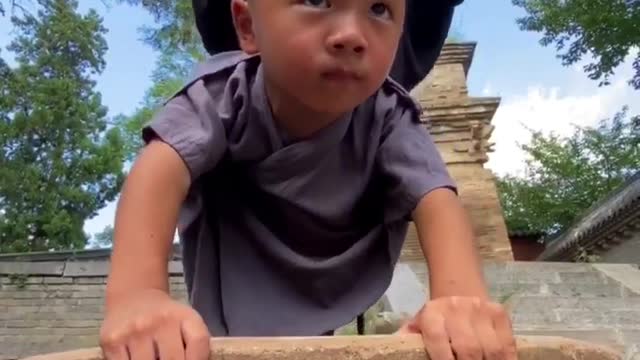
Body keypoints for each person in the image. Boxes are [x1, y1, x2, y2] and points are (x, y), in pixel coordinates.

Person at [99, 1, 518, 360]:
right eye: (317, 0)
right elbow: (158, 172)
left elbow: (436, 199)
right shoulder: (221, 95)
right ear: (247, 26)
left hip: (329, 265)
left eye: (379, 8)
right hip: (240, 251)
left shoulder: (389, 112)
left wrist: (460, 301)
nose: (352, 35)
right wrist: (139, 297)